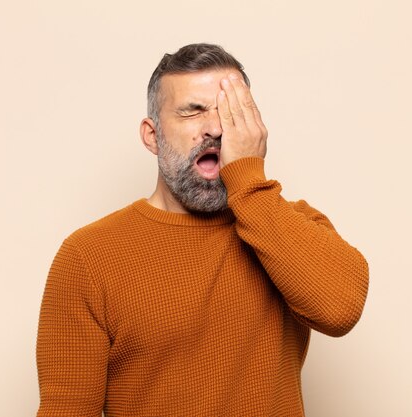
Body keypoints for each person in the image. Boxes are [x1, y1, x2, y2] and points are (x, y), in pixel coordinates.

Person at [36, 43, 369, 417]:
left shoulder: (290, 227)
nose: (215, 129)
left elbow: (340, 311)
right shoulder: (89, 256)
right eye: (193, 112)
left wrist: (248, 181)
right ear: (152, 136)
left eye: (231, 114)